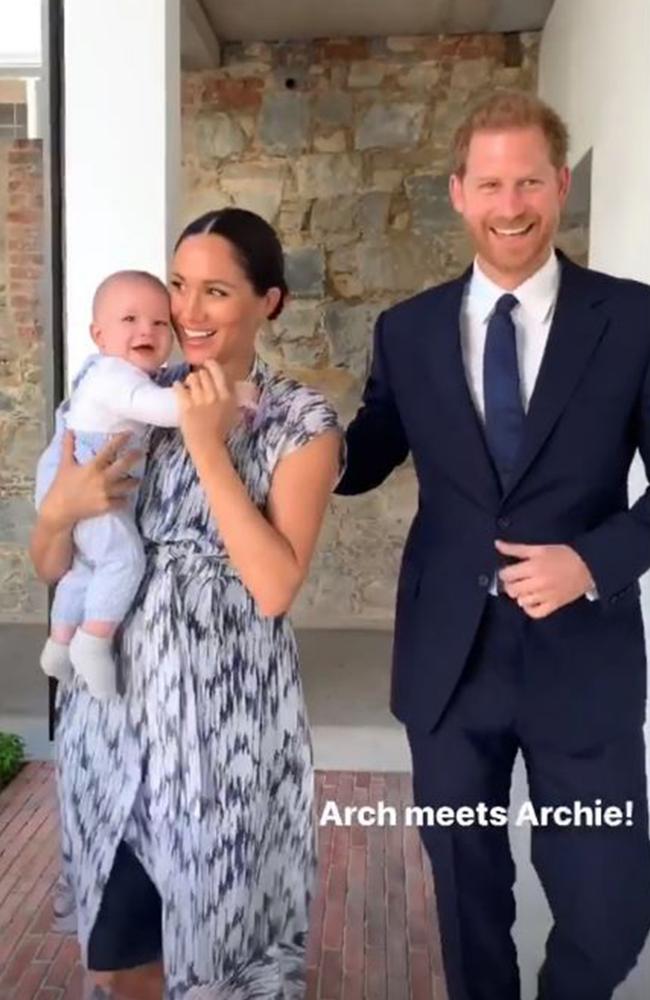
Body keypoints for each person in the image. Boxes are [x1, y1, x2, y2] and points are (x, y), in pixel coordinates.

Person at [337, 91, 650, 999]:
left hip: (582, 659)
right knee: (469, 901)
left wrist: (594, 559)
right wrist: (272, 425)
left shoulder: (632, 320)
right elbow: (365, 456)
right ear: (458, 193)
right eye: (489, 184)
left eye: (528, 182)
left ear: (559, 185)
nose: (510, 205)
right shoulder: (409, 329)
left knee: (608, 902)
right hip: (450, 664)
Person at [30, 208, 342, 999]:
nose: (186, 312)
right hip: (116, 721)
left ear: (268, 300)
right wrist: (61, 511)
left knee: (218, 938)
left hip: (221, 735)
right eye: (177, 287)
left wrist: (205, 440)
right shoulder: (131, 396)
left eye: (215, 291)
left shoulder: (301, 423)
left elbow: (274, 585)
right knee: (123, 944)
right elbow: (51, 564)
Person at [36, 270, 180, 699]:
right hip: (83, 478)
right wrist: (211, 401)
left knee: (87, 568)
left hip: (75, 482)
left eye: (160, 323)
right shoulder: (117, 376)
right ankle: (93, 642)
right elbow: (155, 407)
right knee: (122, 560)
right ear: (99, 334)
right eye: (130, 319)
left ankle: (59, 643)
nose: (146, 330)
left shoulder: (110, 373)